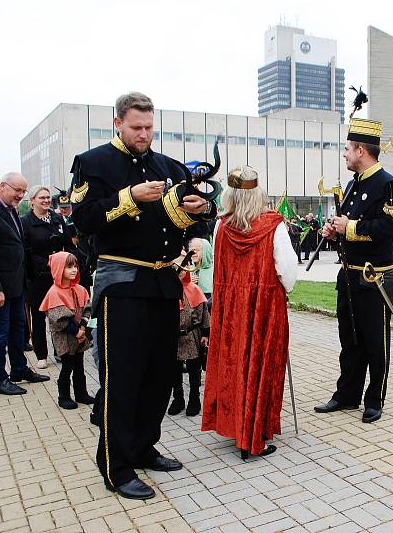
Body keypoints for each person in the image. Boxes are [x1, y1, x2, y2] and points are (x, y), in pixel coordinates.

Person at [69, 92, 216, 500]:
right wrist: (128, 198)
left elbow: (198, 213)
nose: (144, 134)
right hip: (122, 286)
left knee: (158, 375)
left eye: (149, 127)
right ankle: (115, 465)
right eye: (136, 127)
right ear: (118, 123)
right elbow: (82, 218)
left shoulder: (166, 166)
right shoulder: (93, 163)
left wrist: (200, 223)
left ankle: (143, 445)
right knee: (124, 376)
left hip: (164, 283)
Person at [202, 166, 297, 459]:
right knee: (261, 363)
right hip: (265, 308)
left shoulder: (221, 227)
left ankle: (239, 428)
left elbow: (219, 269)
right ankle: (253, 434)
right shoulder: (274, 226)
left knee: (235, 363)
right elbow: (288, 274)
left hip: (231, 309)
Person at [313, 117, 393, 424]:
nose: (344, 154)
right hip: (349, 277)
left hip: (374, 278)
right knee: (349, 340)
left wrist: (349, 227)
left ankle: (374, 398)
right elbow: (347, 224)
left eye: (347, 149)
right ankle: (347, 394)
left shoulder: (387, 185)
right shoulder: (353, 185)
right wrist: (334, 230)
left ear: (362, 150)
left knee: (375, 343)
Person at [0, 173, 50, 395]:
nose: (21, 196)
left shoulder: (9, 207)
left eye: (24, 192)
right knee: (0, 333)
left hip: (15, 284)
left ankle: (19, 369)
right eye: (18, 191)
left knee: (18, 328)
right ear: (3, 186)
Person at [22, 186, 76, 368]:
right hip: (37, 277)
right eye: (41, 198)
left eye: (47, 198)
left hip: (58, 277)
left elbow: (69, 245)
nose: (45, 201)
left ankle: (59, 351)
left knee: (59, 315)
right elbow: (25, 252)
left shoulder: (57, 218)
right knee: (38, 317)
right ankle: (41, 355)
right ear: (32, 201)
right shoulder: (25, 222)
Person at [39, 252, 94, 409]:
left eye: (75, 266)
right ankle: (63, 396)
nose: (74, 270)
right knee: (67, 366)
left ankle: (81, 393)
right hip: (65, 337)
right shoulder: (54, 293)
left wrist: (83, 328)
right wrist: (76, 332)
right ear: (58, 269)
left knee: (79, 365)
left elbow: (87, 310)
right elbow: (58, 318)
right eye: (69, 267)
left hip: (79, 335)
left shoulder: (80, 289)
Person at [167, 254, 210, 417]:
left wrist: (206, 333)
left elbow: (204, 313)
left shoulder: (194, 290)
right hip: (173, 338)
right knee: (174, 372)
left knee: (194, 369)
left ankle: (194, 399)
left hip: (192, 335)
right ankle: (178, 399)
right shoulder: (169, 291)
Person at [188, 237, 214, 303]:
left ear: (206, 251)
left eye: (197, 250)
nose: (193, 253)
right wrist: (188, 283)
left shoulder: (214, 271)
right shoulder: (187, 270)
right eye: (192, 250)